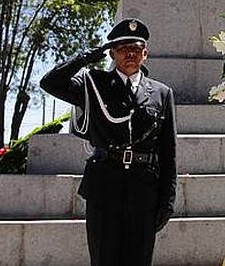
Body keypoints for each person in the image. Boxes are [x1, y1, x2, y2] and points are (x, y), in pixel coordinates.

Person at [41, 18, 177, 266]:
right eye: (123, 48)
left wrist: (167, 200)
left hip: (144, 189)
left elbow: (168, 151)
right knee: (105, 259)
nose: (130, 54)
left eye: (136, 48)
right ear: (112, 52)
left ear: (145, 54)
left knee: (139, 259)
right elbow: (49, 83)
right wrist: (85, 58)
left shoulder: (161, 93)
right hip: (105, 186)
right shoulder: (94, 83)